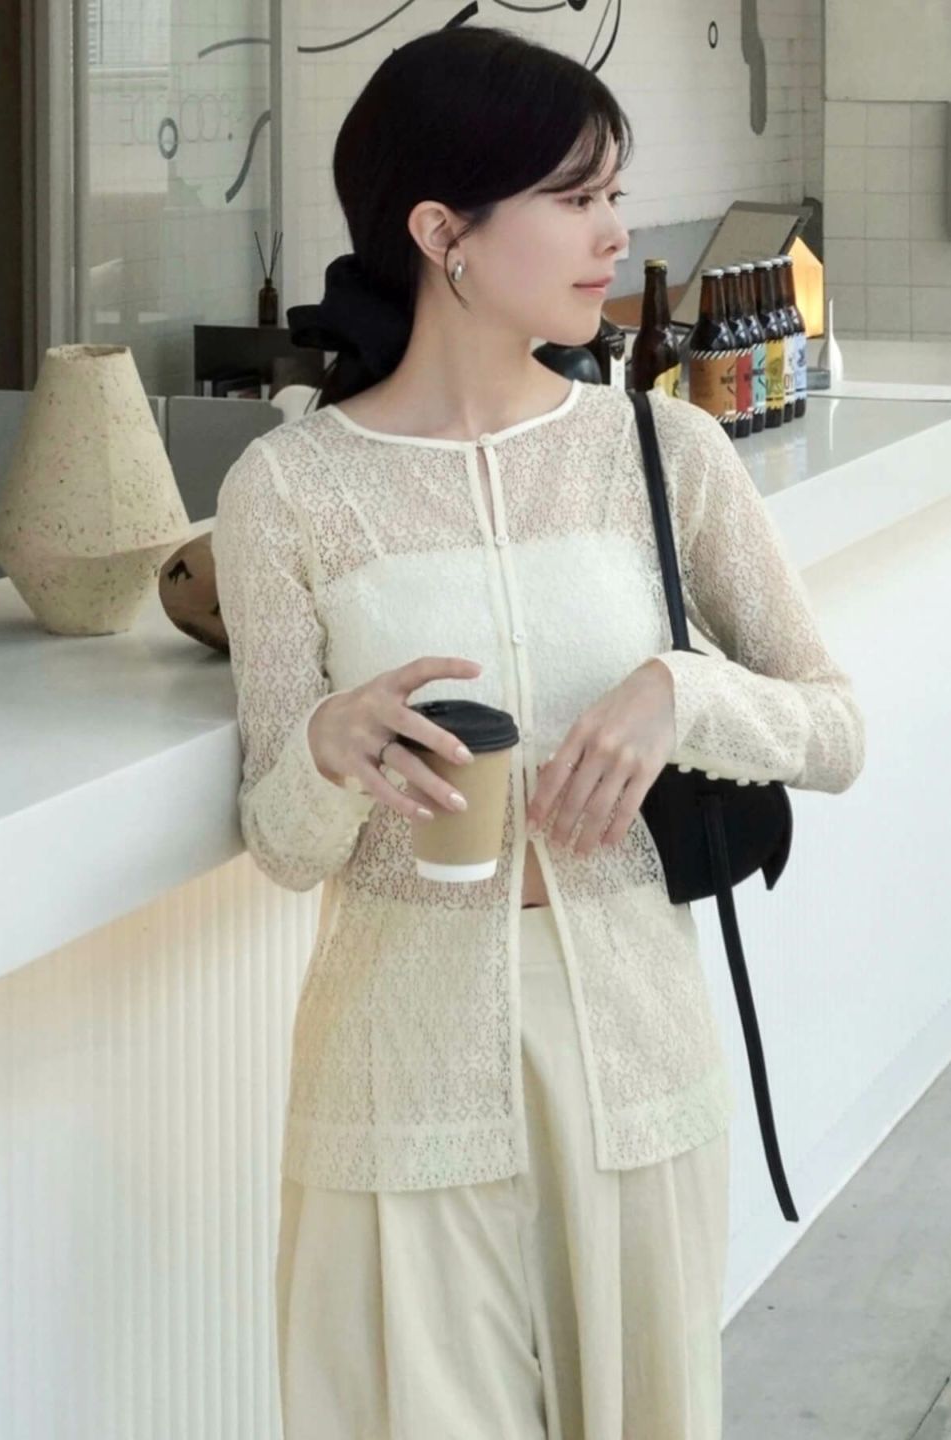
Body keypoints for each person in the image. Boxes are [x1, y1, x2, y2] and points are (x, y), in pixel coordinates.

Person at [211, 25, 865, 1440]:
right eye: (575, 199)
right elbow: (279, 843)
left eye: (613, 193)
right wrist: (326, 750)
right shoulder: (288, 490)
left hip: (634, 1055)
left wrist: (678, 691)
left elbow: (835, 727)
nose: (616, 233)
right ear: (441, 231)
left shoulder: (662, 451)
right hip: (397, 1068)